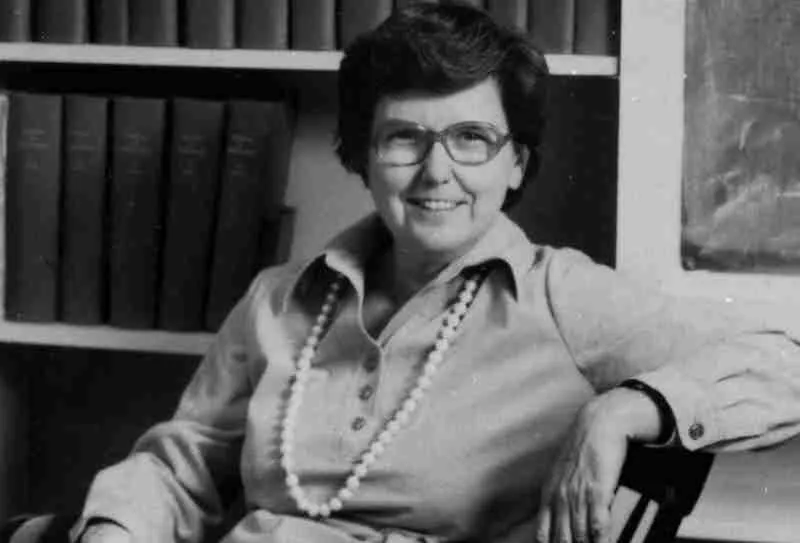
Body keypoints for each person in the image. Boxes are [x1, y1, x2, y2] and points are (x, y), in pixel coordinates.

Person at [73, 2, 800, 543]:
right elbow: (184, 463)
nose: (436, 170)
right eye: (404, 138)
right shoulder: (279, 298)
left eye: (472, 138)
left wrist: (623, 409)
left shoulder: (561, 296)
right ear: (362, 157)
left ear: (516, 163)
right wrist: (114, 530)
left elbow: (784, 363)